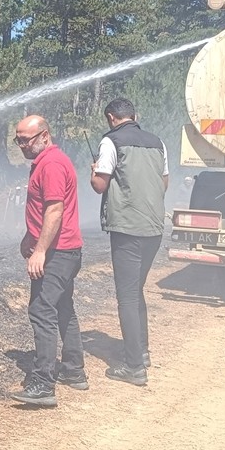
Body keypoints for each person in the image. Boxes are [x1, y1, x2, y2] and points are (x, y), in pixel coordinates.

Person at [90, 98, 168, 387]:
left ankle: (134, 367)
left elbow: (100, 185)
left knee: (127, 296)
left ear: (111, 118)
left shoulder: (110, 142)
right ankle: (142, 352)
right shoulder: (157, 142)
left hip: (126, 229)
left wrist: (93, 171)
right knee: (137, 291)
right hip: (154, 228)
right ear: (135, 115)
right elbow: (164, 182)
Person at [10, 115, 86, 408]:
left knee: (41, 310)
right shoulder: (47, 162)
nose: (21, 145)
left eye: (25, 139)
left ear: (44, 136)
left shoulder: (52, 164)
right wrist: (29, 239)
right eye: (17, 140)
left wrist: (40, 251)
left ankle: (43, 384)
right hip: (64, 250)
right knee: (64, 308)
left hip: (58, 253)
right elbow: (42, 211)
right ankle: (74, 371)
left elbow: (54, 211)